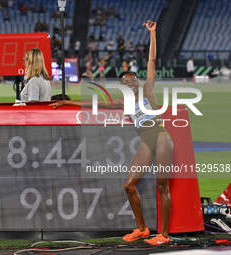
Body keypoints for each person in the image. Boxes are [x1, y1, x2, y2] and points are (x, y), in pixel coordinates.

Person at [50, 21, 173, 246]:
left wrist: (153, 34)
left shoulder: (147, 91)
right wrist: (66, 100)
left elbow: (152, 60)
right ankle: (142, 229)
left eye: (134, 79)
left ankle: (163, 235)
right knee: (129, 185)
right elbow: (92, 103)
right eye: (127, 82)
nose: (132, 83)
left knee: (162, 185)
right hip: (147, 141)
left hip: (162, 137)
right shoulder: (122, 103)